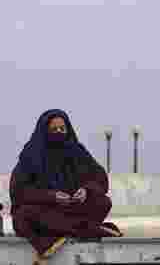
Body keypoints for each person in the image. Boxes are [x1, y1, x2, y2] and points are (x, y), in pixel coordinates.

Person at [10, 109, 122, 263]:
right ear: (44, 131)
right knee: (23, 216)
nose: (59, 132)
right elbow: (19, 192)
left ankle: (70, 229)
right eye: (53, 129)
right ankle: (88, 229)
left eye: (62, 129)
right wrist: (52, 197)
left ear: (68, 129)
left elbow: (100, 179)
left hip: (72, 209)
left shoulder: (76, 151)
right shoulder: (31, 155)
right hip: (45, 210)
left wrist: (86, 191)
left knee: (103, 202)